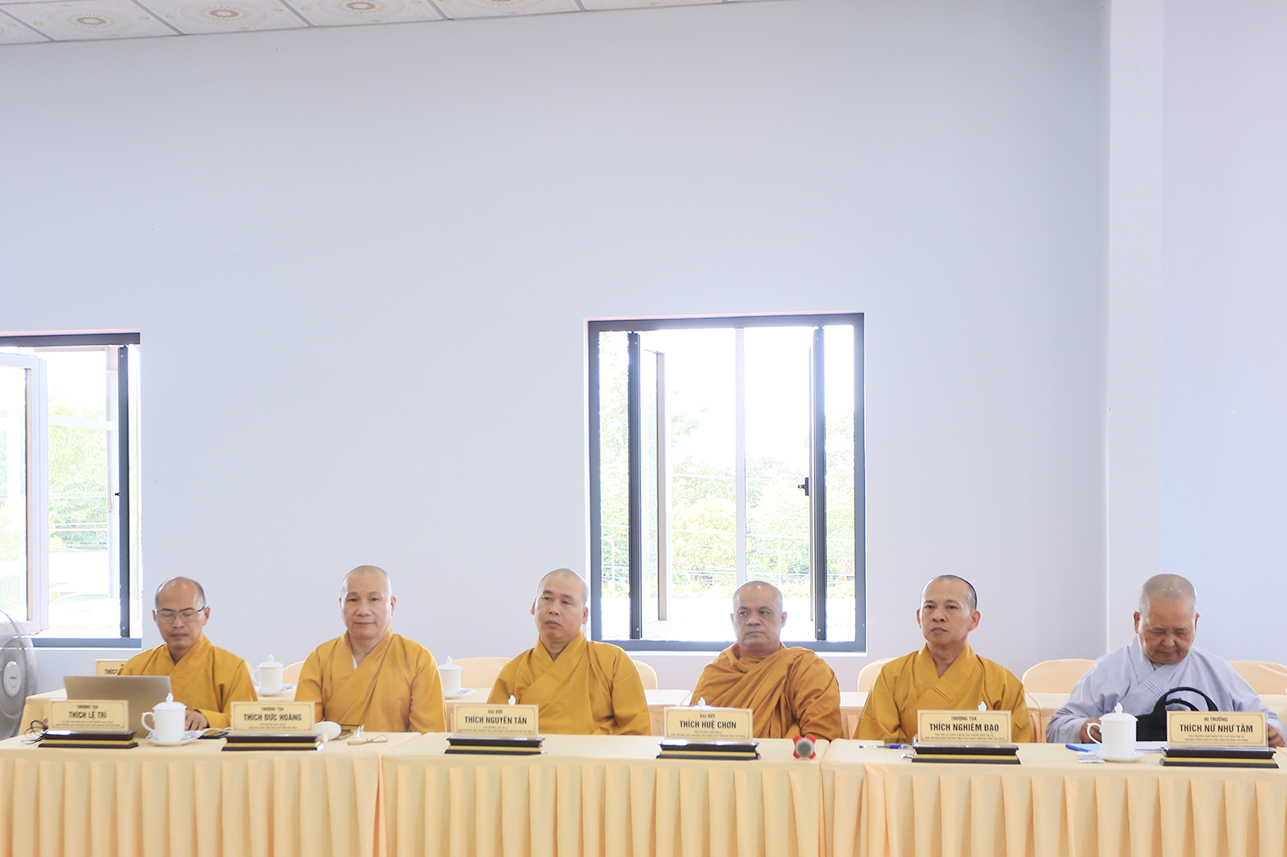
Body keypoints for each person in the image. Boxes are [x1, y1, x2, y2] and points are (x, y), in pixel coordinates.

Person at [1047, 574, 1285, 746]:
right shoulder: (1108, 669)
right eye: (1158, 631)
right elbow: (1057, 726)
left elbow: (1269, 721)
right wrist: (1083, 729)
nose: (1169, 642)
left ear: (1195, 623)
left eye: (1181, 632)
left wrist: (1273, 732)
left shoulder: (1217, 671)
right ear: (1137, 622)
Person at [856, 575, 1032, 742]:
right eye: (929, 607)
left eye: (951, 607)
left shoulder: (1004, 684)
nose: (938, 616)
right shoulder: (891, 677)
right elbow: (876, 745)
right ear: (919, 617)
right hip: (907, 765)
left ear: (973, 619)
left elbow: (1019, 752)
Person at [488, 568, 649, 735]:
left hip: (596, 753)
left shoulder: (613, 661)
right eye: (547, 599)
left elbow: (636, 731)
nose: (554, 609)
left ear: (584, 615)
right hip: (533, 753)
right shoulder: (513, 672)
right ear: (534, 606)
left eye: (565, 602)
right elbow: (493, 733)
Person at [296, 565, 445, 733]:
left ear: (392, 605)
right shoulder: (320, 658)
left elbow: (428, 736)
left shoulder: (418, 659)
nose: (363, 610)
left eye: (374, 599)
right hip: (332, 751)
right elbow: (305, 731)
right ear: (341, 605)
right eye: (353, 600)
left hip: (397, 751)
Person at [690, 581, 843, 741]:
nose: (752, 620)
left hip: (789, 758)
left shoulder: (806, 669)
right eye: (743, 613)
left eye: (764, 612)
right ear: (733, 620)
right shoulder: (716, 673)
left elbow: (821, 739)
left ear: (782, 619)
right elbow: (694, 733)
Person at [120, 577, 257, 730]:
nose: (177, 623)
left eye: (188, 613)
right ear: (155, 617)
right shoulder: (135, 667)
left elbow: (248, 722)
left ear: (206, 615)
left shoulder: (233, 668)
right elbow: (114, 716)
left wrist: (208, 719)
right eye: (167, 614)